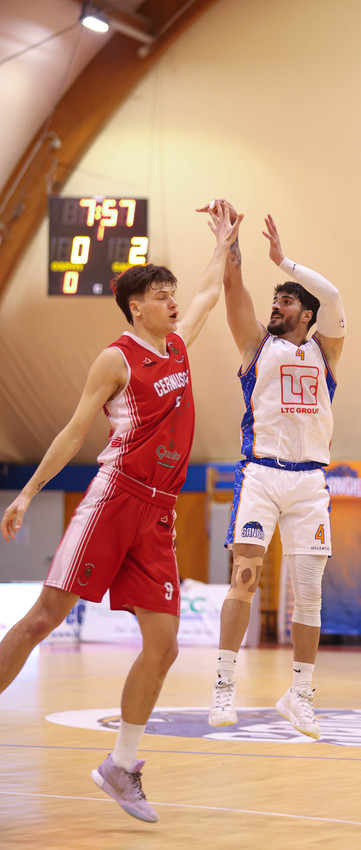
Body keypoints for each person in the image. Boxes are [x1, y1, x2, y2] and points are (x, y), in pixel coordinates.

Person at [0, 202, 243, 823]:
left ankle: (121, 765)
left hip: (158, 515)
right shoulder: (117, 358)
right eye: (161, 296)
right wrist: (27, 492)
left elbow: (209, 293)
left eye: (171, 294)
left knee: (164, 645)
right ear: (137, 307)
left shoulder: (179, 346)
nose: (173, 302)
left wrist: (222, 242)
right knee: (42, 619)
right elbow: (74, 431)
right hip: (114, 498)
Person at [204, 205, 346, 740]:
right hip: (261, 474)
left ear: (307, 314)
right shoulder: (256, 344)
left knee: (308, 593)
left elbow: (334, 296)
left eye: (286, 301)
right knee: (245, 579)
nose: (275, 306)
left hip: (310, 482)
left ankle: (300, 695)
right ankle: (223, 685)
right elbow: (233, 286)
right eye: (275, 299)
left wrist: (285, 261)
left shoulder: (327, 352)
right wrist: (230, 244)